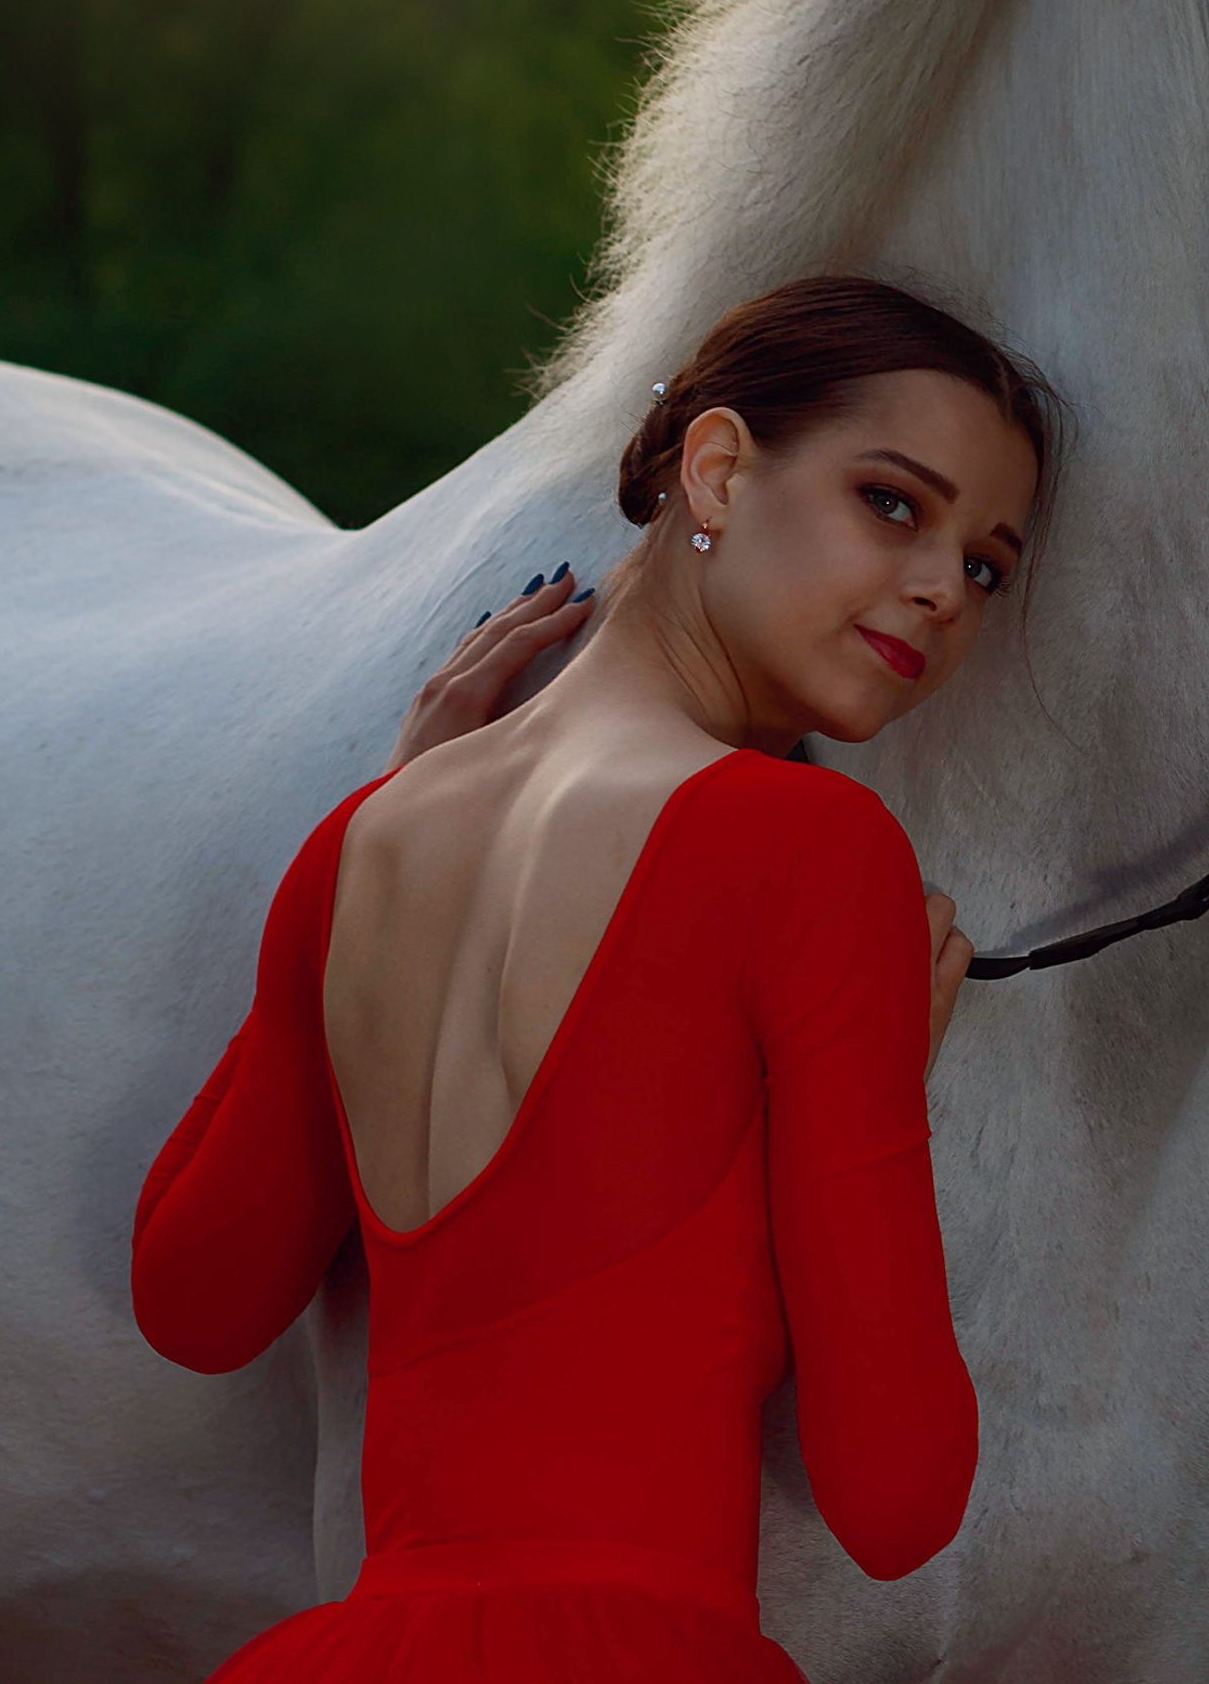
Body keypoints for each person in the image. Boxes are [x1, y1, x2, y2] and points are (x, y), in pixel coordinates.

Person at [131, 274, 1061, 1681]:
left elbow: (194, 1299)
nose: (941, 588)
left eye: (986, 565)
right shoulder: (811, 854)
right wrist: (870, 1090)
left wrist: (386, 816)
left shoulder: (369, 840)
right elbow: (895, 1496)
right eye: (892, 502)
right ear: (721, 467)